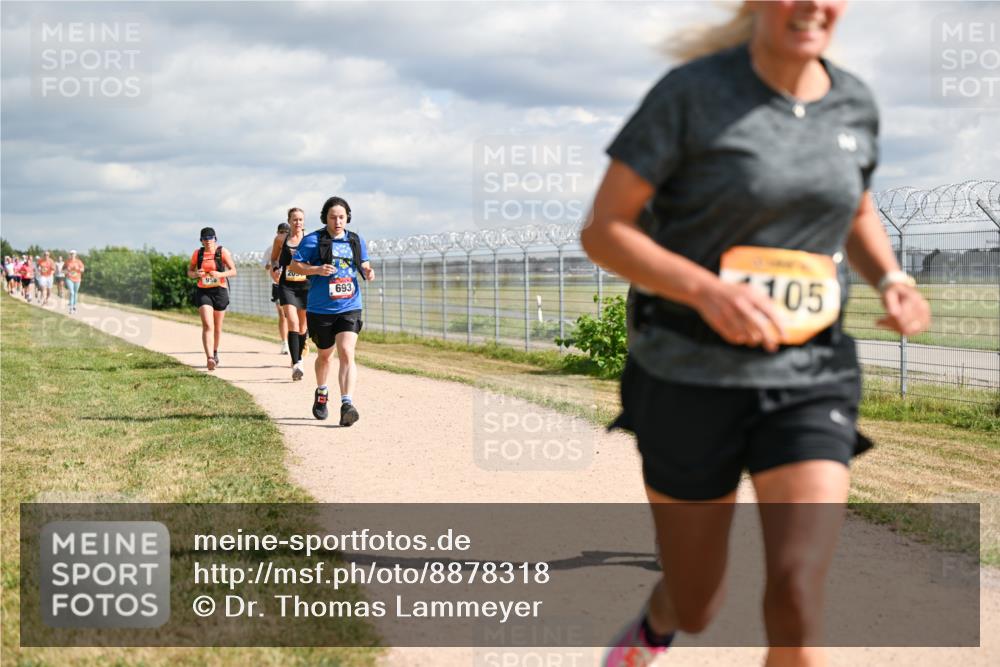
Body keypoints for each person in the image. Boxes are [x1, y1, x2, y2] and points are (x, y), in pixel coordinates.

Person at [581, 3, 932, 666]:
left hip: (810, 371)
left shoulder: (854, 102)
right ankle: (657, 624)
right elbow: (604, 230)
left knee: (799, 592)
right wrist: (707, 290)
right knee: (696, 599)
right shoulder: (693, 94)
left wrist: (891, 277)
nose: (811, 5)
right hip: (687, 372)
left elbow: (855, 206)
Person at [290, 196, 375, 425]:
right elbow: (294, 265)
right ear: (325, 218)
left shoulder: (355, 240)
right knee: (325, 356)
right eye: (332, 217)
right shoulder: (312, 240)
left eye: (341, 217)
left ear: (347, 217)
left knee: (347, 351)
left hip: (350, 305)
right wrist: (317, 269)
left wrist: (368, 271)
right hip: (321, 308)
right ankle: (321, 392)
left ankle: (347, 404)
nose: (337, 221)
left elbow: (363, 263)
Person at [187, 228, 237, 371]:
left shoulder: (222, 252)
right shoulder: (198, 253)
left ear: (215, 238)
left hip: (220, 291)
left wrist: (220, 274)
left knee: (217, 327)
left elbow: (233, 271)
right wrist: (196, 273)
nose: (208, 241)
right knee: (208, 325)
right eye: (205, 238)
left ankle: (214, 352)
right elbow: (189, 272)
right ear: (201, 240)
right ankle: (209, 358)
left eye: (210, 238)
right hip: (203, 291)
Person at [272, 208, 311, 381]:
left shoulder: (311, 240)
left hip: (306, 286)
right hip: (287, 286)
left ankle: (299, 358)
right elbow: (274, 258)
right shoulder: (281, 239)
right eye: (294, 219)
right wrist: (275, 269)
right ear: (289, 221)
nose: (298, 223)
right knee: (292, 322)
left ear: (304, 221)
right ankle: (296, 364)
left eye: (300, 219)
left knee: (303, 327)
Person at [265, 222, 292, 355]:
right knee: (282, 314)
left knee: (293, 314)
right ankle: (285, 342)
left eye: (285, 232)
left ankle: (298, 340)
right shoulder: (271, 248)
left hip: (293, 283)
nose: (283, 234)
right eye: (280, 232)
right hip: (277, 284)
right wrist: (274, 266)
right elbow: (266, 265)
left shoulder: (294, 246)